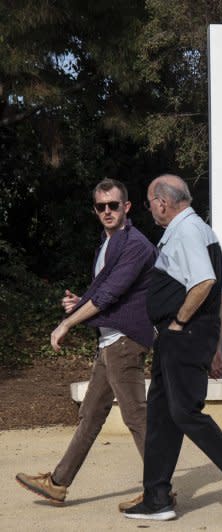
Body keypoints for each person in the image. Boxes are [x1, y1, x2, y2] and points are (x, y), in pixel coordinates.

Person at [123, 174, 222, 522]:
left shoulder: (188, 231)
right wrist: (214, 344)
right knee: (162, 416)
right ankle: (156, 497)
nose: (151, 211)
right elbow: (221, 292)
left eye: (149, 203)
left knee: (184, 412)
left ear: (162, 202)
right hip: (185, 337)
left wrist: (178, 322)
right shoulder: (197, 231)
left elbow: (205, 282)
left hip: (183, 335)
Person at [15, 178, 157, 508]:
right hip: (109, 343)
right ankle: (58, 483)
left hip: (124, 342)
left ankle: (159, 489)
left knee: (136, 418)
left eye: (113, 205)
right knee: (90, 416)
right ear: (95, 210)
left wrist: (67, 321)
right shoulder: (107, 246)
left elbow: (108, 295)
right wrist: (81, 303)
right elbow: (106, 293)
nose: (107, 211)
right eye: (101, 206)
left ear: (127, 207)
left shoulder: (135, 244)